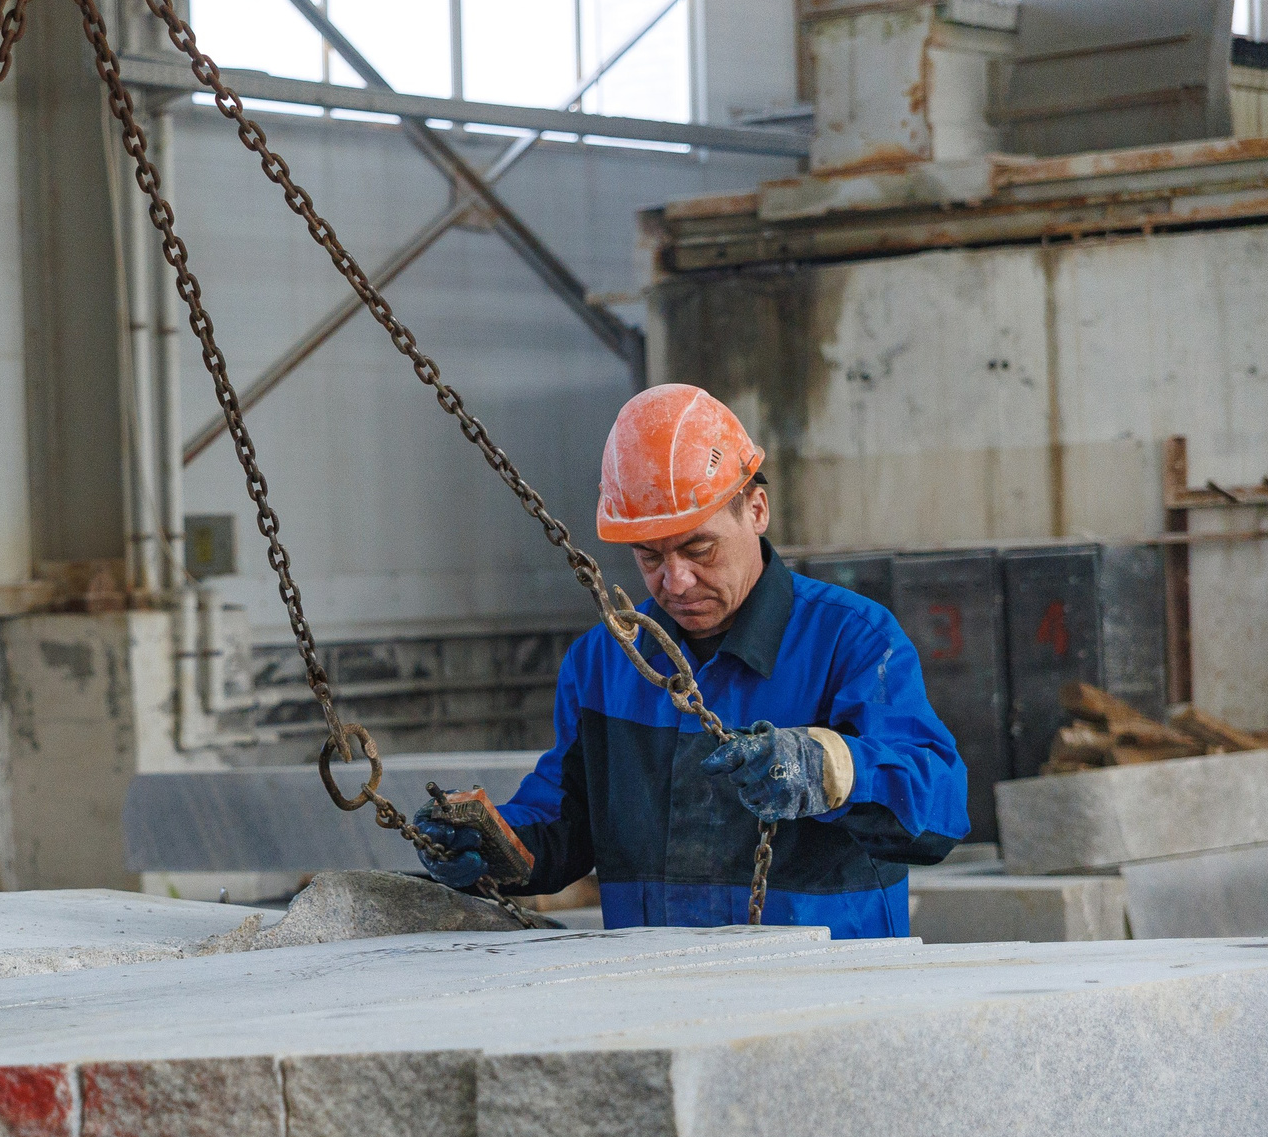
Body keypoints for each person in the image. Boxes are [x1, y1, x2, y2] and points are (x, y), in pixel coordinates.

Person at [413, 384, 967, 937]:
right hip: (664, 996)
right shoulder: (603, 663)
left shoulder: (852, 640)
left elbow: (940, 811)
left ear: (756, 509)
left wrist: (830, 768)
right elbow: (567, 820)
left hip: (827, 996)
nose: (675, 582)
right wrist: (492, 845)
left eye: (699, 549)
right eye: (649, 556)